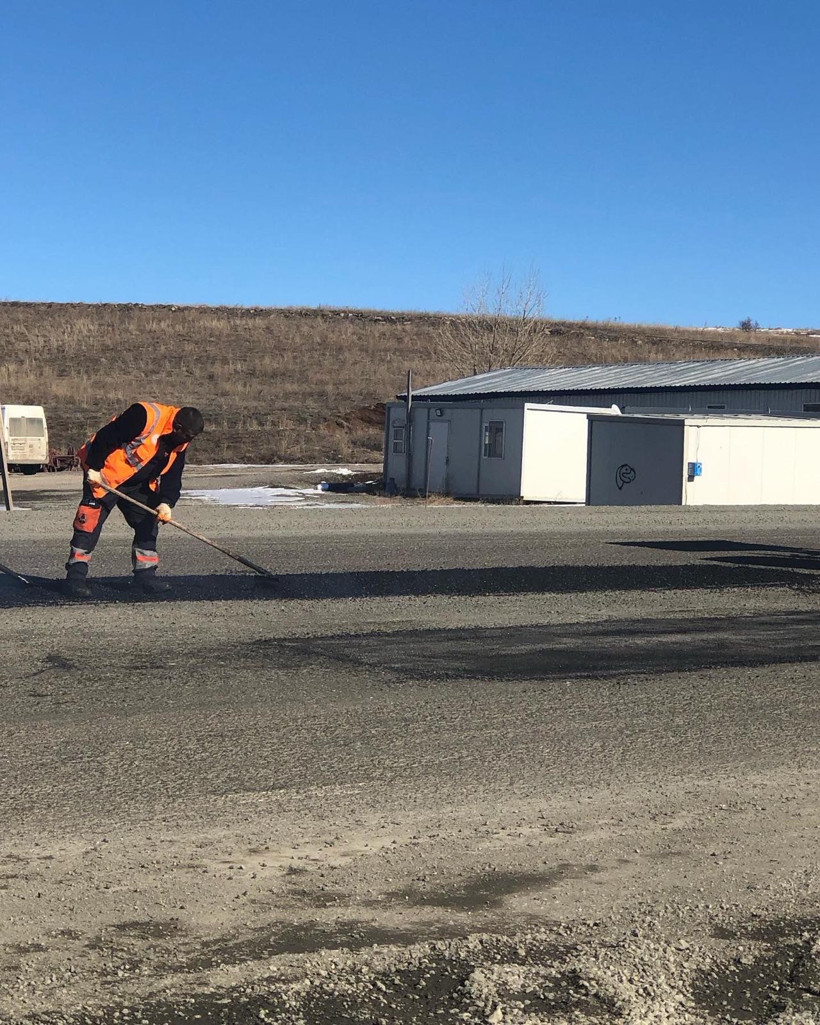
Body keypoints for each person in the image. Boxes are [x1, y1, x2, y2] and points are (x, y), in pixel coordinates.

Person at [64, 402, 205, 598]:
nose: (189, 441)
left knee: (149, 520)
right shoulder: (144, 416)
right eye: (188, 436)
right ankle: (75, 578)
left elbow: (174, 473)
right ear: (178, 427)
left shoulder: (181, 440)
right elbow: (106, 437)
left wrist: (166, 502)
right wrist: (94, 468)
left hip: (138, 484)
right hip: (105, 476)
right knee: (88, 524)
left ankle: (145, 576)